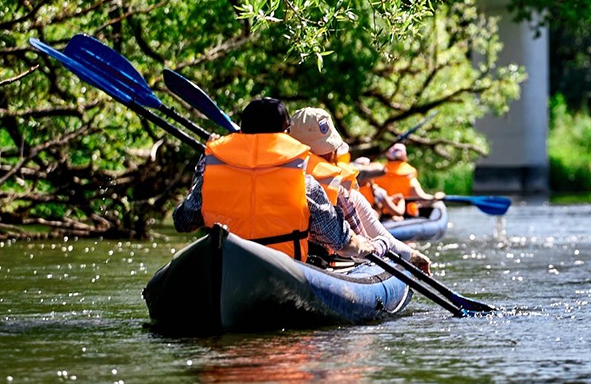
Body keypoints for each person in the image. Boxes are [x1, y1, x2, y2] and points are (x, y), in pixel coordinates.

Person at [172, 97, 387, 266]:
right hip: (284, 266)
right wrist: (364, 246)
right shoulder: (304, 180)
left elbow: (183, 221)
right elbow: (338, 240)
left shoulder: (213, 169)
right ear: (286, 135)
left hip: (226, 259)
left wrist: (205, 165)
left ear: (241, 131)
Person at [288, 106, 430, 273]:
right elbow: (363, 247)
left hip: (281, 262)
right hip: (327, 268)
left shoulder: (277, 180)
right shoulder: (340, 190)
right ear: (332, 151)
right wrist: (410, 254)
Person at [372, 142, 443, 217]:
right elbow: (423, 200)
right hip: (406, 215)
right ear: (405, 156)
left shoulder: (377, 172)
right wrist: (436, 197)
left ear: (388, 156)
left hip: (381, 215)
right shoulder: (409, 173)